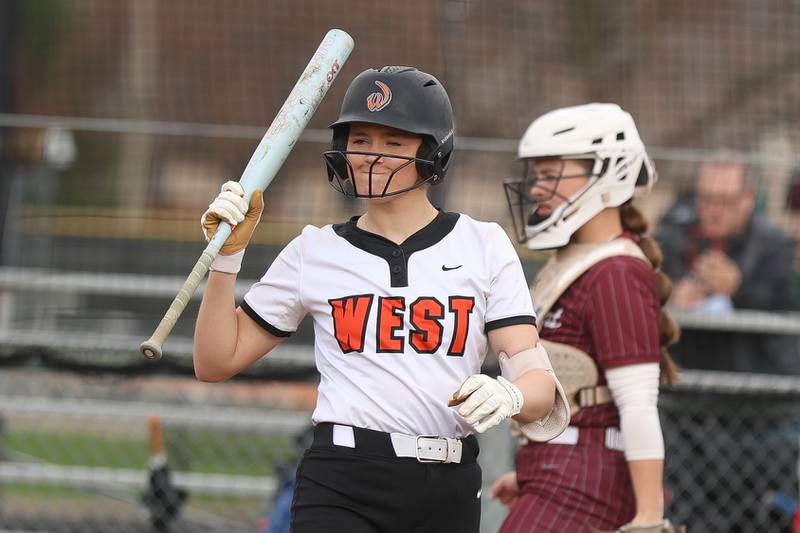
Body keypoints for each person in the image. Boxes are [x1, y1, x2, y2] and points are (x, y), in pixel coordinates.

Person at [193, 66, 569, 533]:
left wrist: (510, 392)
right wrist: (226, 258)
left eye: (393, 142)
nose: (372, 155)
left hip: (448, 481)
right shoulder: (315, 250)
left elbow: (539, 390)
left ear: (431, 152)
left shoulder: (484, 244)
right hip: (342, 478)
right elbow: (215, 361)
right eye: (360, 139)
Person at [492, 103, 684, 533]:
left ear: (608, 173)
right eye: (536, 175)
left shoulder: (616, 271)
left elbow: (637, 404)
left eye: (551, 174)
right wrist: (530, 473)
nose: (537, 189)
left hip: (584, 486)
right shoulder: (578, 261)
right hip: (558, 473)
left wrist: (649, 517)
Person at [655, 154, 797, 373]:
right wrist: (673, 295)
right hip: (685, 372)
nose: (714, 210)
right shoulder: (671, 236)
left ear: (748, 198)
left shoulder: (773, 245)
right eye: (706, 199)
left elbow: (784, 307)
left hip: (751, 378)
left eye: (725, 201)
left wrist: (738, 288)